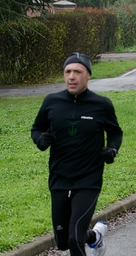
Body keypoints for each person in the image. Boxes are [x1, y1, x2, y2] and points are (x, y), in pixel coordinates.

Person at [31, 52, 123, 256]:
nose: (72, 76)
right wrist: (40, 140)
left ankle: (85, 238)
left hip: (88, 178)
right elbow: (36, 129)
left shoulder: (102, 104)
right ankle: (95, 237)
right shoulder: (51, 102)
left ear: (88, 75)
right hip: (59, 177)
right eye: (68, 72)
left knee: (74, 239)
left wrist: (112, 149)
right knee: (63, 242)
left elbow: (115, 132)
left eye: (77, 72)